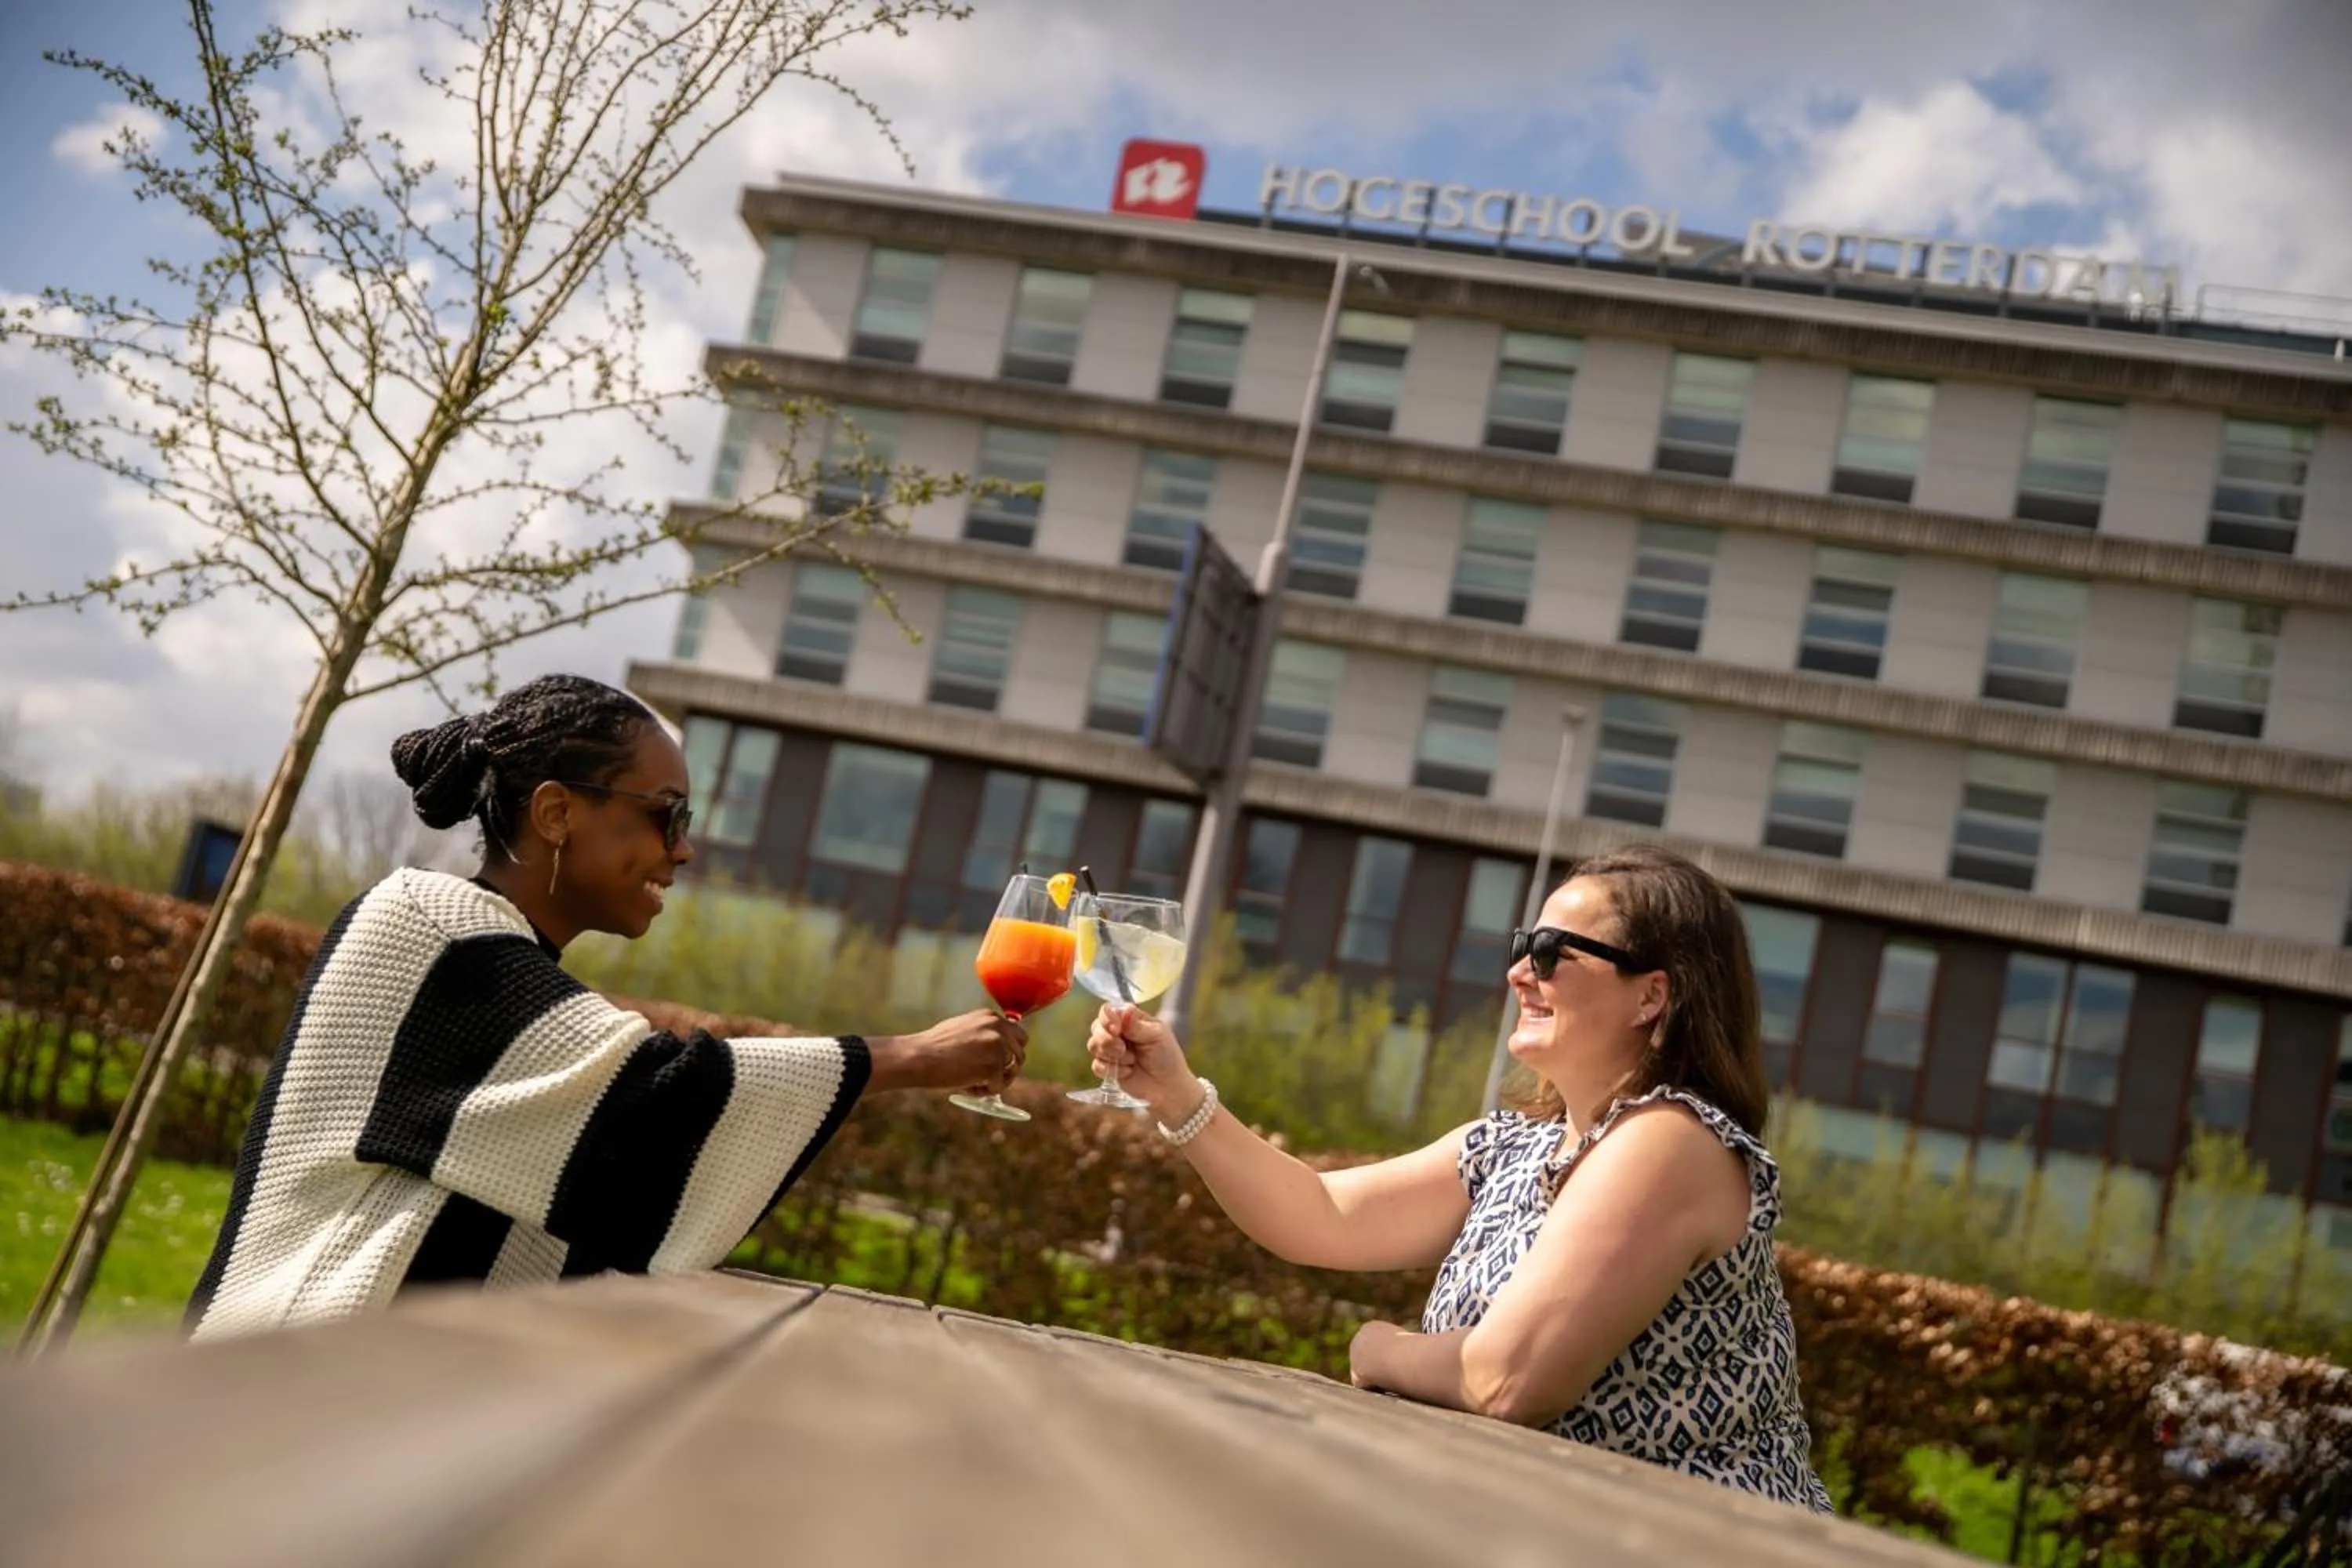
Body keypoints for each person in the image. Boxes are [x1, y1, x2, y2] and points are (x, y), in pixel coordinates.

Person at [187, 673, 1024, 1341]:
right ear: (557, 812)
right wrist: (914, 1055)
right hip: (278, 1390)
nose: (684, 848)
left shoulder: (509, 965)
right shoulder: (426, 926)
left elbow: (599, 1165)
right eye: (666, 816)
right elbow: (645, 1098)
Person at [1087, 844, 1832, 1512]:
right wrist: (1178, 1097)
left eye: (1551, 952)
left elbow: (1507, 1381)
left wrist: (1376, 1348)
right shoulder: (1510, 1149)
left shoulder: (1671, 1142)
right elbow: (1319, 1214)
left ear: (1652, 996)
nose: (1518, 972)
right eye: (1521, 946)